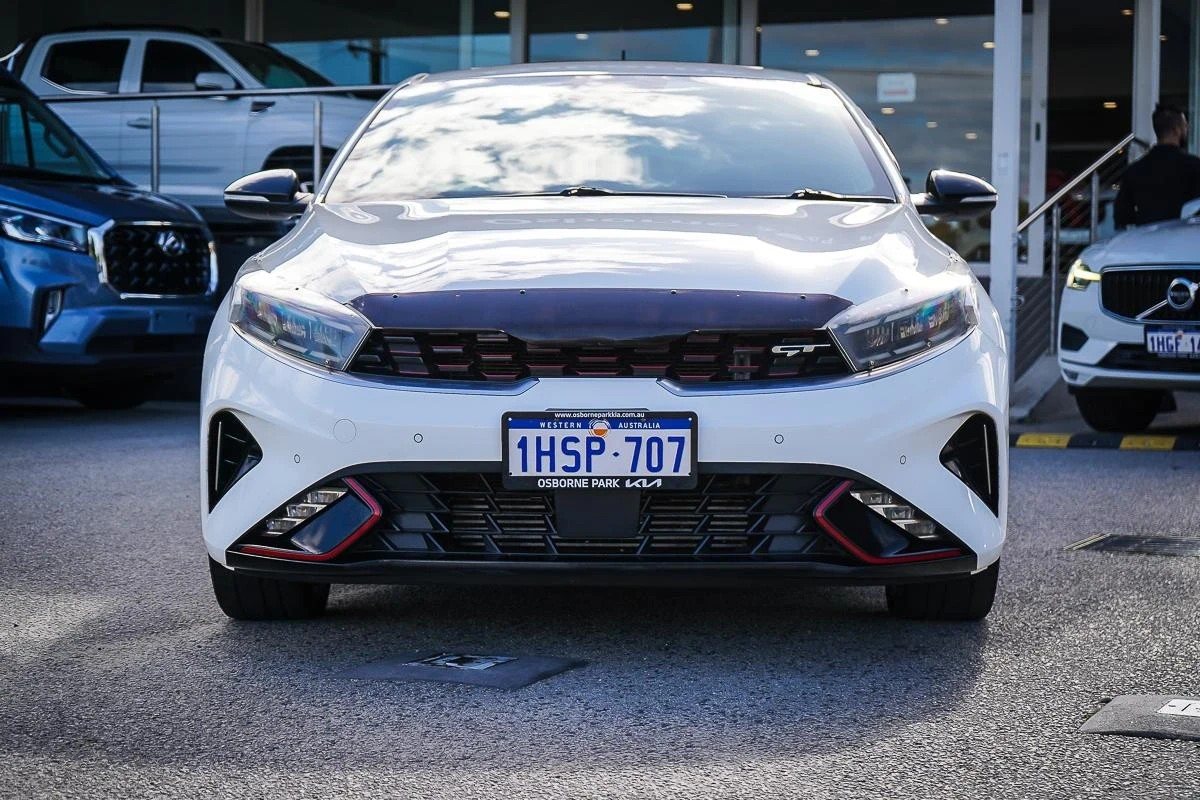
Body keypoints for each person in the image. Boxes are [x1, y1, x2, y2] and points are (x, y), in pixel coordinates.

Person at [1113, 104, 1200, 228]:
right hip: (1183, 239)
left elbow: (1122, 215)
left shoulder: (1135, 170)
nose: (1187, 129)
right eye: (1185, 126)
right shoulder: (1194, 166)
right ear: (1176, 129)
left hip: (1147, 239)